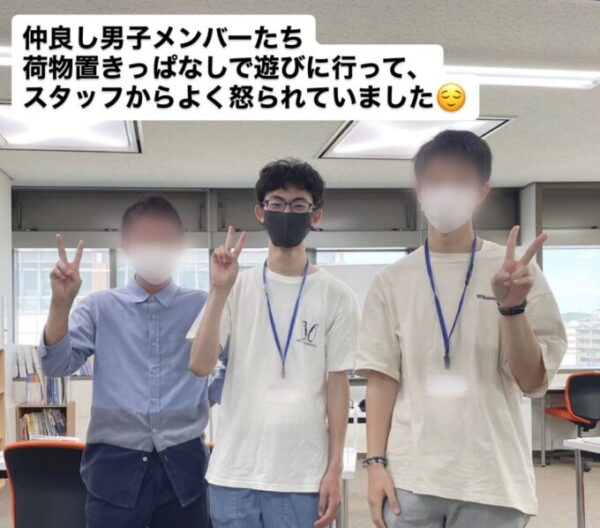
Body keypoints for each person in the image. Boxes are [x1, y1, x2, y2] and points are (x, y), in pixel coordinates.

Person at [356, 130, 567, 528]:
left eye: (460, 181)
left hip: (492, 479)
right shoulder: (391, 281)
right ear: (418, 190)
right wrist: (375, 464)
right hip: (411, 478)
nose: (446, 190)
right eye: (436, 180)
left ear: (482, 191)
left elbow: (534, 381)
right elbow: (382, 379)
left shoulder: (518, 273)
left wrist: (512, 309)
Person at [188, 158, 360, 528]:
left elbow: (338, 387)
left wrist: (334, 469)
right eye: (277, 203)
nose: (287, 212)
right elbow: (200, 365)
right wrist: (218, 291)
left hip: (302, 477)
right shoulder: (235, 286)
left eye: (299, 205)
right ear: (260, 212)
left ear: (315, 216)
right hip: (234, 474)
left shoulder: (337, 296)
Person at [40, 195, 211, 528]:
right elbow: (55, 366)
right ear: (127, 247)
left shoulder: (201, 306)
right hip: (114, 464)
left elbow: (234, 363)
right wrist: (60, 304)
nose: (156, 248)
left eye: (165, 239)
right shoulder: (100, 307)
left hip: (185, 462)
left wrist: (208, 395)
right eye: (146, 239)